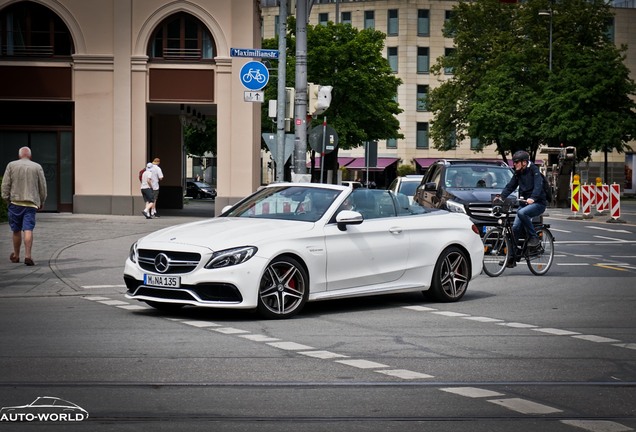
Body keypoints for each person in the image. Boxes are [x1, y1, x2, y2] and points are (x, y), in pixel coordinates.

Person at [496, 150, 547, 266]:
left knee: (522, 213)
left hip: (538, 203)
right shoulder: (518, 172)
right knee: (515, 229)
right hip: (525, 204)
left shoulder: (534, 170)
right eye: (514, 162)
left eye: (517, 162)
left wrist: (533, 198)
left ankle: (534, 238)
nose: (514, 164)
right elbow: (511, 186)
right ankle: (512, 258)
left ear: (524, 162)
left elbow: (538, 185)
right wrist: (502, 197)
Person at [1, 146, 47, 266]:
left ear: (19, 155)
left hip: (15, 202)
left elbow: (6, 184)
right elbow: (42, 186)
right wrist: (42, 201)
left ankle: (16, 255)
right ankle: (28, 255)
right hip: (31, 203)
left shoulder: (11, 165)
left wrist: (6, 198)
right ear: (30, 156)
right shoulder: (37, 167)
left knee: (16, 230)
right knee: (28, 229)